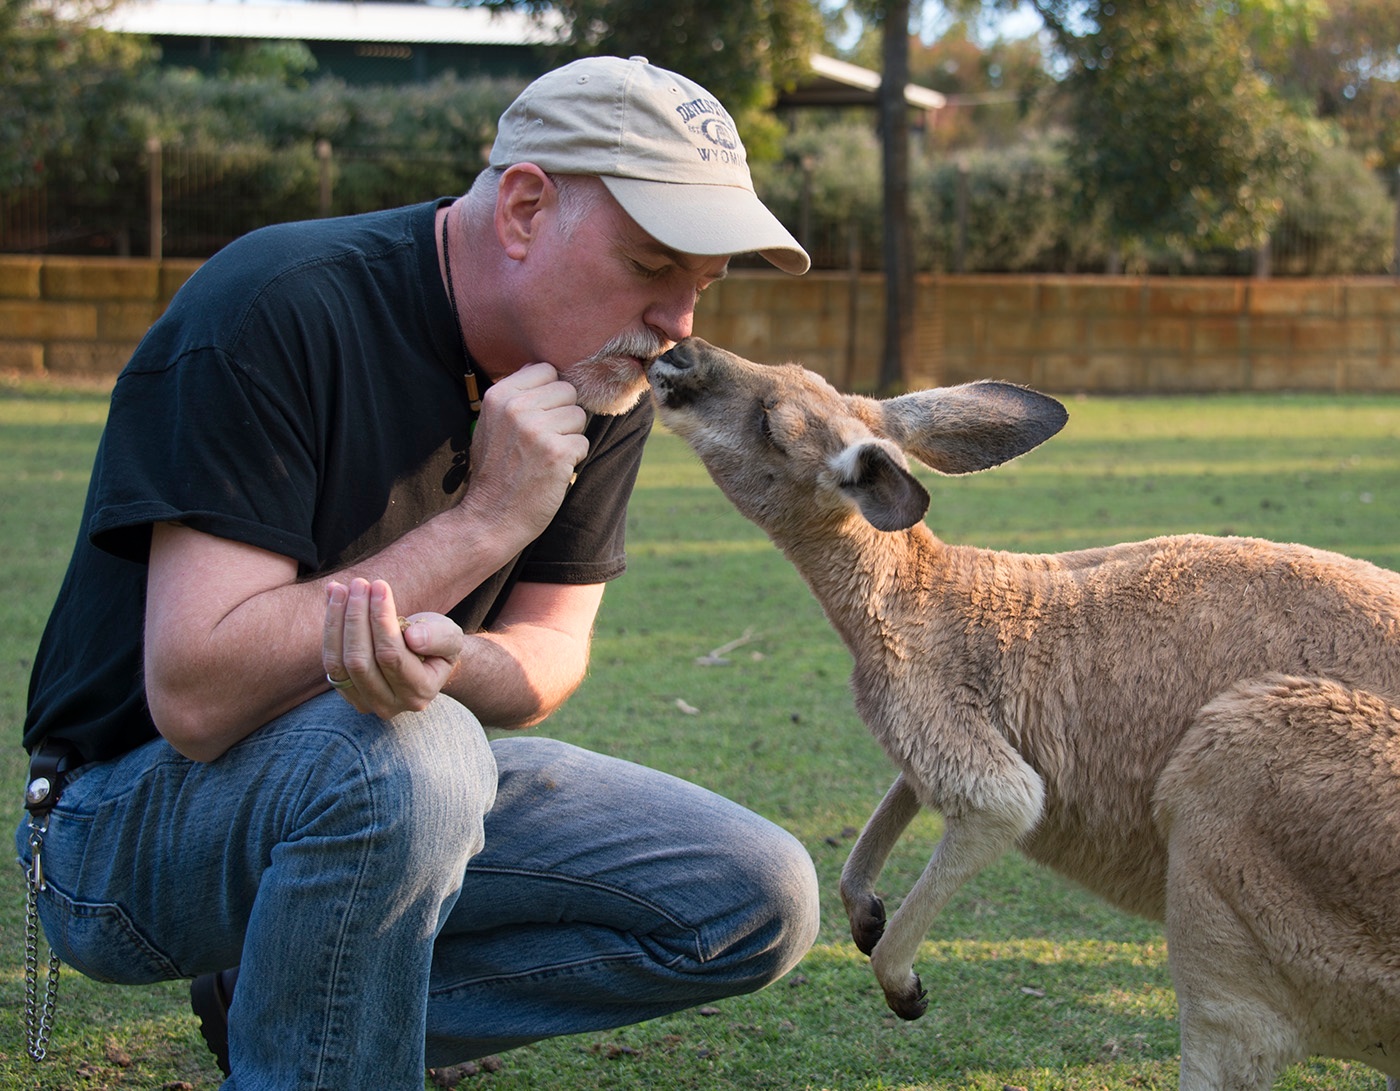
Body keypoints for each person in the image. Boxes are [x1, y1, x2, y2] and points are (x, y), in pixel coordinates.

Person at [17, 55, 820, 1089]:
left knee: (751, 894)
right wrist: (483, 520)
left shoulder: (603, 366)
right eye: (651, 263)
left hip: (389, 800)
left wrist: (459, 660)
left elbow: (546, 656)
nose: (677, 321)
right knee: (412, 753)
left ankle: (282, 1002)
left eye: (700, 283)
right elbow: (194, 693)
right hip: (114, 831)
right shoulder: (275, 307)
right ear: (525, 208)